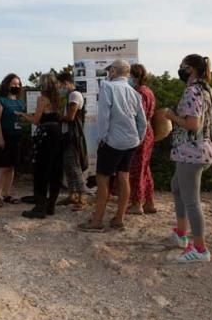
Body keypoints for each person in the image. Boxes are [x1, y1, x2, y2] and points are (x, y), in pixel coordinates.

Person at [80, 60, 147, 232]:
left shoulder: (107, 87)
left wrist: (102, 138)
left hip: (112, 141)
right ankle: (119, 218)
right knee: (123, 177)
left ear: (115, 71)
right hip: (131, 141)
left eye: (110, 70)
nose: (109, 72)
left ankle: (97, 221)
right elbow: (142, 121)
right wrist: (139, 138)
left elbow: (103, 116)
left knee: (103, 180)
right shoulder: (135, 93)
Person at [163, 55, 212, 262]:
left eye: (183, 66)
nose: (180, 69)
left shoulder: (192, 91)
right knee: (177, 186)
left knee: (192, 201)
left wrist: (171, 116)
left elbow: (193, 125)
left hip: (191, 152)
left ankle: (200, 249)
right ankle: (181, 233)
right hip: (201, 149)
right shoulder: (208, 91)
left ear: (192, 69)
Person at [17, 73, 63, 218]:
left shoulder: (42, 99)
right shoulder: (58, 99)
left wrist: (24, 115)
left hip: (46, 134)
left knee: (41, 169)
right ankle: (51, 205)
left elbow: (36, 120)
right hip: (57, 132)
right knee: (55, 168)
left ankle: (39, 207)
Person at [126, 64, 157, 215]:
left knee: (137, 169)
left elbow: (140, 117)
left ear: (135, 76)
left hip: (140, 133)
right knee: (145, 168)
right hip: (148, 132)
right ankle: (149, 202)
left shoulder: (139, 93)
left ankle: (137, 203)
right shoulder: (148, 91)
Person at [0, 74, 25, 208]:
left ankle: (7, 194)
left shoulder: (20, 102)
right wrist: (0, 137)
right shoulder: (1, 101)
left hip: (17, 138)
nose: (16, 86)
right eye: (13, 84)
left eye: (18, 84)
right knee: (3, 167)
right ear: (7, 85)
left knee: (12, 167)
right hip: (5, 137)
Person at [57, 70, 88, 211]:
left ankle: (82, 198)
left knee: (74, 167)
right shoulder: (70, 96)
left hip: (73, 136)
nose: (59, 88)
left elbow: (70, 116)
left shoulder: (75, 95)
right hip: (67, 135)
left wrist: (55, 117)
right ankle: (72, 194)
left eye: (60, 85)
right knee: (68, 167)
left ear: (66, 83)